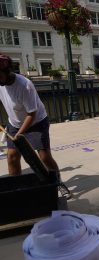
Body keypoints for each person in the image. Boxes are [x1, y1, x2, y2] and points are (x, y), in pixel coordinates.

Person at [0, 54, 70, 198]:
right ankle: (17, 190)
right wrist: (16, 131)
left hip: (36, 122)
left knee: (44, 156)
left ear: (7, 72)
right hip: (14, 122)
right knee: (12, 157)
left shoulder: (24, 85)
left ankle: (58, 183)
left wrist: (20, 134)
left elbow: (31, 113)